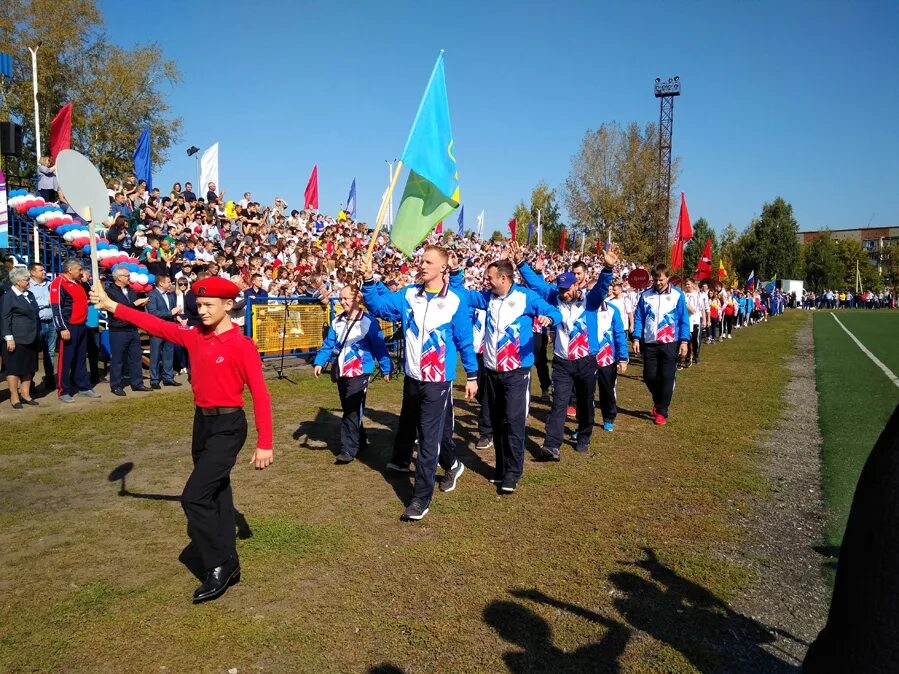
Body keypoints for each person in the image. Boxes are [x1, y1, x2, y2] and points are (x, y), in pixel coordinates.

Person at [90, 276, 274, 603]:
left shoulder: (241, 345)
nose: (200, 311)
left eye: (208, 305)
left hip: (229, 425)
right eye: (198, 305)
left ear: (228, 305)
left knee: (193, 497)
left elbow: (260, 394)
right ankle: (229, 560)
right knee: (216, 490)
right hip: (201, 423)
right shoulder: (194, 335)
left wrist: (265, 443)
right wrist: (112, 305)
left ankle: (219, 563)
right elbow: (155, 325)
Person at [359, 245, 478, 522]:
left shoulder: (456, 300)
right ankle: (452, 463)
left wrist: (472, 375)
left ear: (442, 268)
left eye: (428, 262)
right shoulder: (409, 294)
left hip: (438, 381)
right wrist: (368, 281)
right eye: (421, 261)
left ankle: (420, 499)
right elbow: (380, 307)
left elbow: (464, 340)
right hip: (413, 378)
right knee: (422, 431)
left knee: (427, 439)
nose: (422, 265)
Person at [452, 256, 561, 492]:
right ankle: (501, 469)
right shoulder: (487, 297)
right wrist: (455, 269)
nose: (486, 281)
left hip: (516, 373)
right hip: (491, 372)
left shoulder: (525, 297)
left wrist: (548, 318)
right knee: (498, 422)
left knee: (513, 422)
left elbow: (554, 310)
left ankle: (513, 472)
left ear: (503, 278)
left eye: (489, 277)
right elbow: (459, 293)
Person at [516, 244, 617, 459]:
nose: (563, 294)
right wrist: (521, 264)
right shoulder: (554, 296)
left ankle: (584, 435)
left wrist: (607, 269)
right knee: (559, 403)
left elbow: (601, 288)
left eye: (567, 290)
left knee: (585, 402)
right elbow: (537, 284)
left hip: (586, 360)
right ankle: (552, 445)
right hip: (562, 362)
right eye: (560, 290)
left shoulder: (589, 301)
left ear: (576, 285)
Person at [312, 285, 393, 464]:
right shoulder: (336, 322)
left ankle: (348, 449)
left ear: (357, 299)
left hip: (360, 372)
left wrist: (386, 367)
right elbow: (329, 344)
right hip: (342, 371)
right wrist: (319, 361)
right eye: (340, 298)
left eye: (346, 298)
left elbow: (379, 347)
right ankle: (360, 439)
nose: (342, 302)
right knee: (351, 409)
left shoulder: (369, 322)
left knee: (351, 409)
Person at [632, 263, 690, 425]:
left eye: (661, 280)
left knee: (667, 377)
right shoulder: (645, 296)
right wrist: (636, 337)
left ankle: (662, 411)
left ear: (668, 278)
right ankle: (659, 401)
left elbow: (684, 320)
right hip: (650, 342)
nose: (658, 283)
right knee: (649, 376)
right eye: (655, 280)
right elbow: (638, 318)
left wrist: (684, 341)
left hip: (670, 342)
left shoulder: (678, 295)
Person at [50, 258, 101, 402]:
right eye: (79, 269)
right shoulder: (58, 283)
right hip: (68, 326)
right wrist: (62, 328)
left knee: (80, 357)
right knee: (66, 359)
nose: (81, 272)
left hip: (81, 325)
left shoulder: (78, 282)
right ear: (69, 270)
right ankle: (63, 390)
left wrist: (85, 281)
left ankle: (83, 386)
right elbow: (56, 308)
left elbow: (90, 292)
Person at [105, 266, 152, 395]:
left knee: (136, 358)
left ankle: (137, 383)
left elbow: (133, 308)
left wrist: (141, 305)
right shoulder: (110, 292)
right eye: (127, 276)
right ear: (119, 278)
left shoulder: (131, 291)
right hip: (118, 330)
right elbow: (116, 309)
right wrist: (135, 304)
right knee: (118, 359)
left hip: (132, 329)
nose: (129, 278)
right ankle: (116, 385)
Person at [1, 267, 41, 408]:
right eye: (26, 279)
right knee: (14, 369)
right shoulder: (8, 297)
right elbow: (5, 318)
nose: (29, 281)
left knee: (29, 368)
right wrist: (9, 338)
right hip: (16, 339)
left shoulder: (29, 294)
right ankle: (14, 396)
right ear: (17, 282)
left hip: (31, 337)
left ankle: (25, 393)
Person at [593, 288, 629, 432]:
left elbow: (619, 334)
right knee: (585, 391)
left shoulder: (612, 310)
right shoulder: (583, 309)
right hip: (587, 358)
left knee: (607, 389)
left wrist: (623, 357)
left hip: (607, 358)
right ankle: (584, 421)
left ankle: (608, 417)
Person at [147, 275, 182, 388]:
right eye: (168, 282)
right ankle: (154, 379)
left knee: (168, 353)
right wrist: (170, 313)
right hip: (157, 329)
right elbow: (153, 313)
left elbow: (172, 311)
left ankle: (168, 377)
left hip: (169, 328)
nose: (170, 283)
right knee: (155, 355)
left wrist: (177, 316)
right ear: (161, 283)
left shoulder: (170, 295)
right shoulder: (152, 295)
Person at [28, 262, 56, 389]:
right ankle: (29, 383)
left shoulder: (50, 285)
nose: (44, 272)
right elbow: (30, 304)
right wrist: (46, 302)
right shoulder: (28, 286)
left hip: (51, 323)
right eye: (41, 270)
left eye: (44, 270)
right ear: (33, 272)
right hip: (37, 324)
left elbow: (55, 301)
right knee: (33, 354)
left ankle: (50, 381)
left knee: (49, 353)